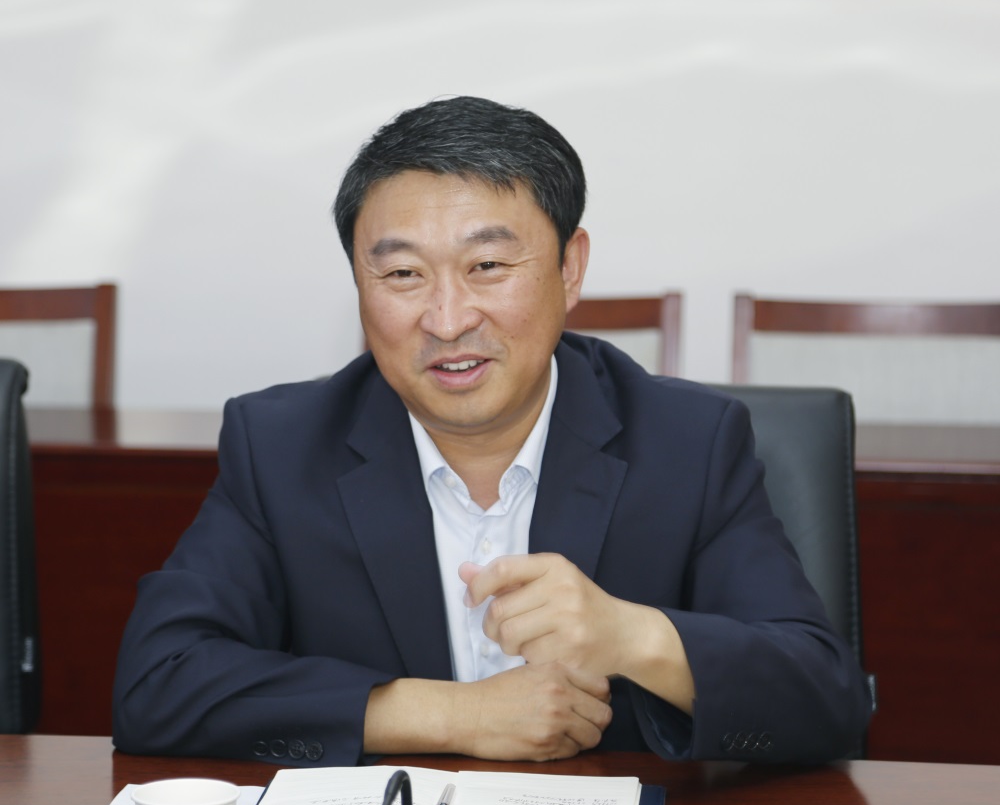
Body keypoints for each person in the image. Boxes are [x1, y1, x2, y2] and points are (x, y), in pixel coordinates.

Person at [112, 96, 872, 768]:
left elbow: (825, 701)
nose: (447, 321)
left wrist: (631, 637)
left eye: (487, 266)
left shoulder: (687, 442)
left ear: (570, 268)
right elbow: (157, 685)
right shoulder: (282, 446)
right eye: (403, 275)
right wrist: (452, 714)